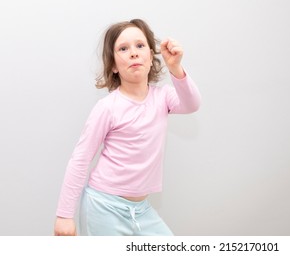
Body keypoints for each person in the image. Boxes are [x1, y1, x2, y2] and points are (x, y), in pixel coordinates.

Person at [54, 19, 201, 236]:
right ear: (113, 65)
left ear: (151, 57)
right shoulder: (107, 108)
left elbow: (191, 104)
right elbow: (81, 158)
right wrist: (64, 215)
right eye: (123, 48)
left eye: (140, 46)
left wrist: (176, 68)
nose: (133, 53)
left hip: (141, 210)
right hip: (103, 206)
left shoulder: (164, 97)